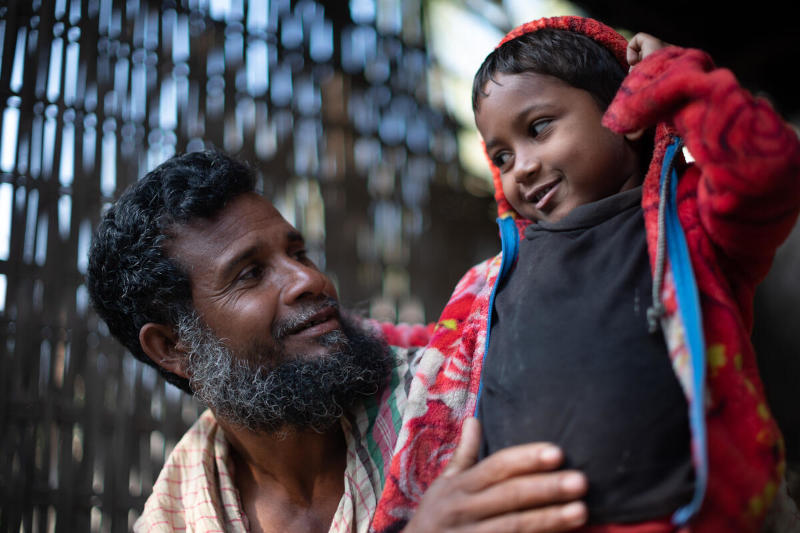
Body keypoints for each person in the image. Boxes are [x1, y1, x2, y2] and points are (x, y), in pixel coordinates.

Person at [373, 16, 800, 533]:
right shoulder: (492, 280)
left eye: (538, 128)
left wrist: (673, 78)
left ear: (629, 114)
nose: (522, 168)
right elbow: (433, 358)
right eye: (502, 156)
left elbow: (766, 168)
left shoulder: (690, 222)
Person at [86, 150, 591, 532]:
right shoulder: (178, 518)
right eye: (250, 274)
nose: (310, 281)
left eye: (299, 254)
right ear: (173, 348)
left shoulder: (460, 391)